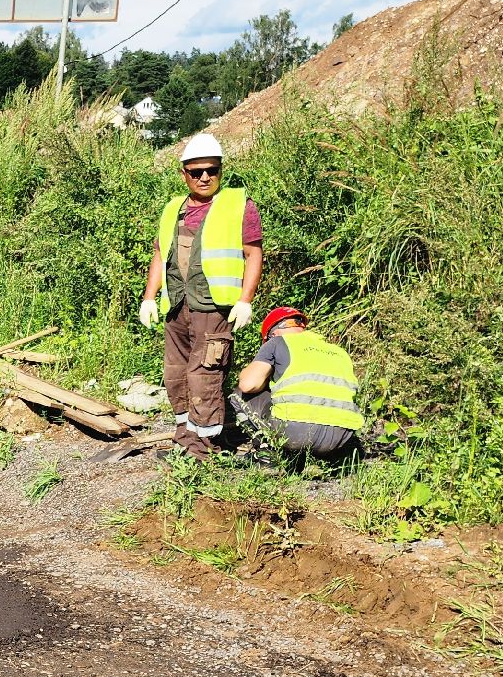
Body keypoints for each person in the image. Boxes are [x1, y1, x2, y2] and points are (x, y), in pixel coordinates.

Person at [138, 132, 263, 459]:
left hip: (213, 308)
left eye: (212, 170)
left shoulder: (239, 206)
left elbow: (253, 255)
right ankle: (185, 438)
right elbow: (160, 254)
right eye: (197, 172)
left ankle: (203, 449)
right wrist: (149, 297)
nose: (205, 177)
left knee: (204, 375)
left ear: (220, 170)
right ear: (185, 174)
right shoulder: (172, 209)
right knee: (176, 374)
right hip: (177, 306)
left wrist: (245, 300)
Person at [229, 306, 363, 459]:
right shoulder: (339, 351)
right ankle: (325, 459)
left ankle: (267, 456)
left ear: (273, 333)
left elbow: (248, 384)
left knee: (238, 394)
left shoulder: (277, 342)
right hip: (340, 438)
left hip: (297, 434)